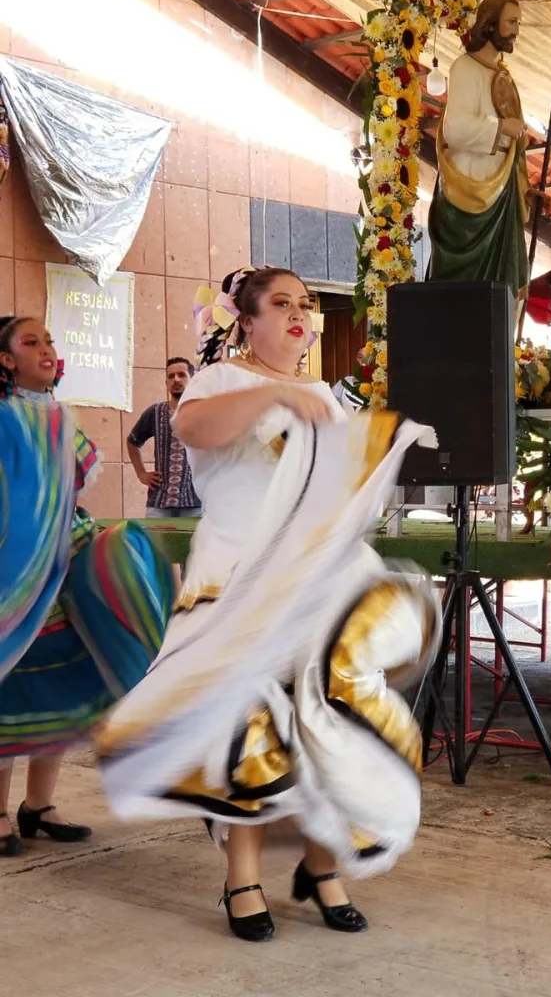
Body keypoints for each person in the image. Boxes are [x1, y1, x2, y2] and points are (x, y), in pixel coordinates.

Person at [93, 266, 439, 943]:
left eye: (304, 304)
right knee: (250, 720)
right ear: (244, 321)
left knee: (338, 714)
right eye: (281, 303)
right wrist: (277, 394)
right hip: (239, 572)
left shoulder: (320, 393)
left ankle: (321, 864)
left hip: (316, 575)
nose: (299, 314)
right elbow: (193, 428)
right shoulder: (221, 380)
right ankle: (241, 876)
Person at [0, 315, 173, 856]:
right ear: (6, 360)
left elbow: (69, 495)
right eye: (32, 342)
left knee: (64, 686)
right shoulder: (3, 419)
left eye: (49, 339)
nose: (47, 348)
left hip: (64, 568)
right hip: (15, 572)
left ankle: (38, 807)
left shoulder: (57, 418)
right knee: (13, 688)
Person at [428, 0, 530, 294]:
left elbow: (515, 145)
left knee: (502, 291)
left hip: (503, 192)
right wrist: (500, 127)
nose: (515, 31)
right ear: (489, 25)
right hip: (471, 192)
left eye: (518, 24)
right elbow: (454, 129)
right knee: (465, 294)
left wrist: (528, 191)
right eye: (511, 22)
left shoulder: (502, 75)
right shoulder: (465, 68)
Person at [127, 357, 201, 518]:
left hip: (196, 504)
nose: (176, 380)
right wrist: (141, 474)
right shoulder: (155, 412)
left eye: (181, 375)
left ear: (192, 380)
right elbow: (133, 441)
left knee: (192, 544)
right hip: (159, 504)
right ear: (166, 383)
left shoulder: (204, 412)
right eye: (171, 376)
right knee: (156, 544)